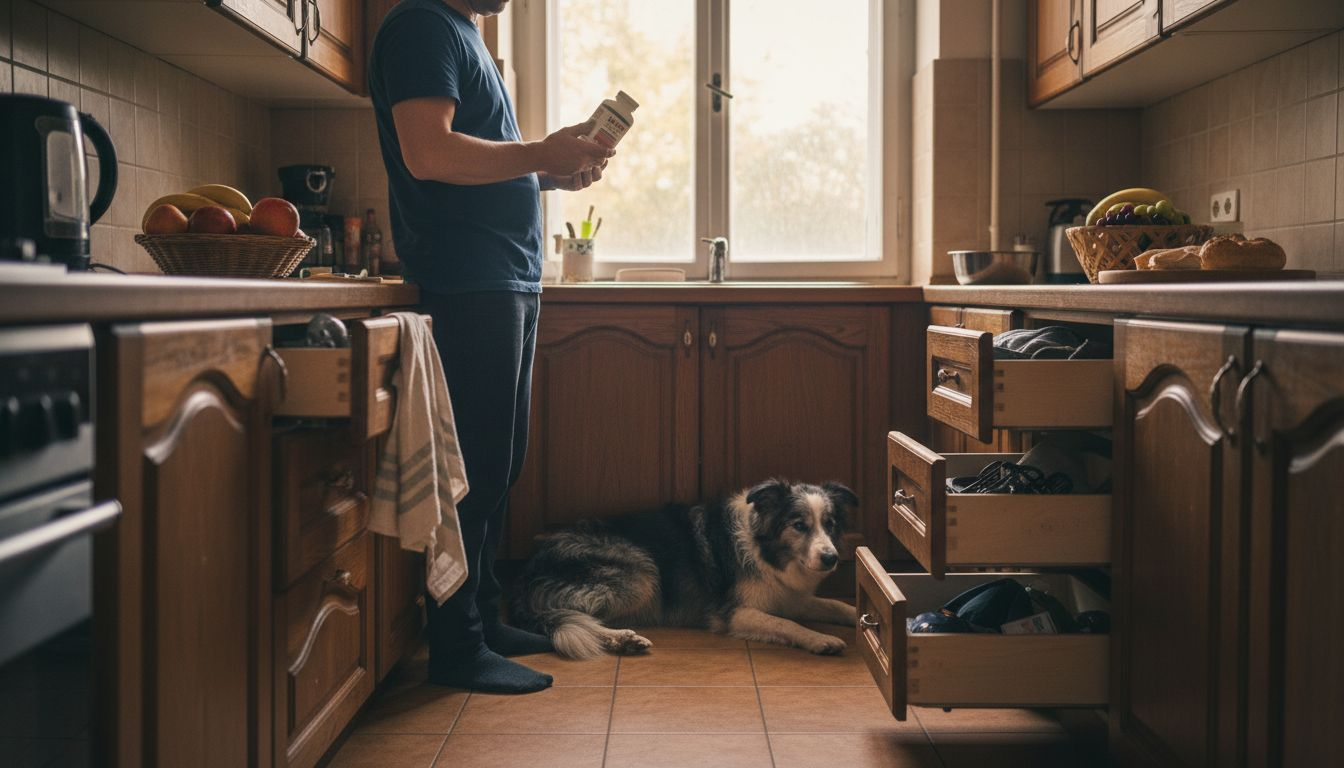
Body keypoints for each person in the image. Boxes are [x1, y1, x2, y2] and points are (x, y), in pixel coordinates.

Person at [368, 0, 612, 694]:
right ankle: (457, 647)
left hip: (501, 278)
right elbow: (428, 153)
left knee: (499, 464)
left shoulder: (461, 34)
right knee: (474, 467)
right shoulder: (420, 26)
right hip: (468, 279)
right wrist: (539, 151)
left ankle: (485, 616)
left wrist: (547, 173)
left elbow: (470, 159)